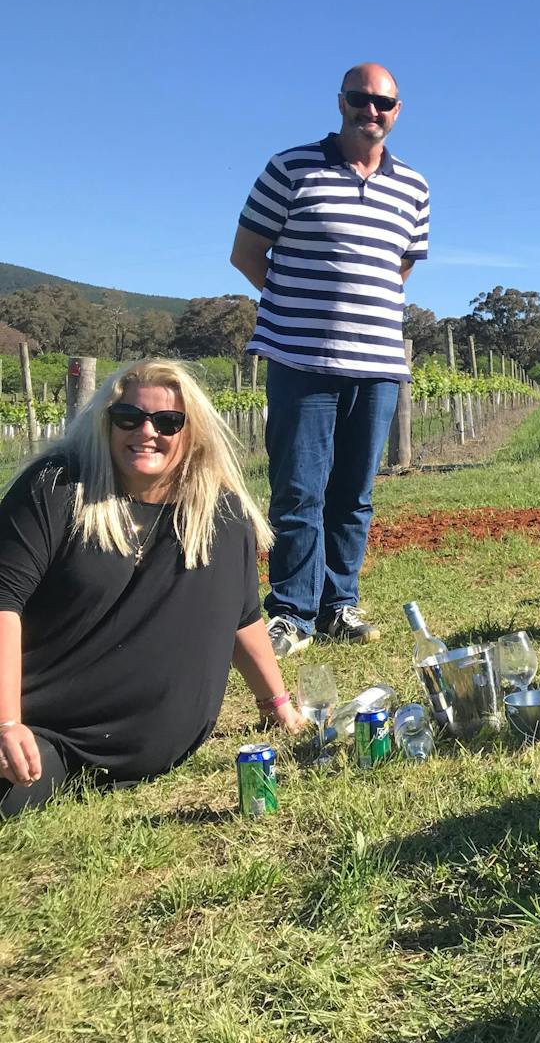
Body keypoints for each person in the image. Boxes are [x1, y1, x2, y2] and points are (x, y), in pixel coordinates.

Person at [0, 360, 305, 816]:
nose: (146, 431)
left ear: (191, 432)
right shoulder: (57, 489)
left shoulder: (219, 515)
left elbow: (242, 616)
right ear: (106, 421)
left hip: (146, 751)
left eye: (167, 422)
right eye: (129, 417)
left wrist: (276, 703)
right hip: (47, 736)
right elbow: (3, 604)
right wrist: (6, 723)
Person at [230, 63, 430, 656]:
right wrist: (301, 309)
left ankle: (339, 603)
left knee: (355, 493)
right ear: (340, 103)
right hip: (303, 359)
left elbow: (402, 266)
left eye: (383, 103)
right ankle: (292, 611)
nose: (372, 111)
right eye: (360, 99)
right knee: (299, 490)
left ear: (398, 111)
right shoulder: (291, 168)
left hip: (378, 365)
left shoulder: (414, 187)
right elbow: (246, 253)